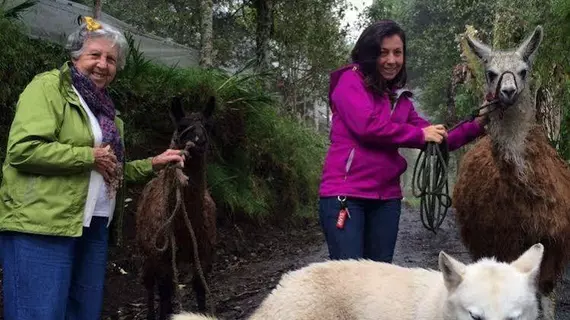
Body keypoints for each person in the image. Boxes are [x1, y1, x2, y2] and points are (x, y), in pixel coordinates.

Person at [0, 17, 185, 320]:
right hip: (43, 224)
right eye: (95, 55)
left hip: (93, 225)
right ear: (75, 56)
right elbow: (23, 150)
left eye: (111, 59)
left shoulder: (106, 110)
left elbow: (110, 167)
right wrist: (88, 156)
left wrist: (153, 163)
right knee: (38, 313)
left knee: (83, 313)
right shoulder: (49, 89)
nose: (103, 64)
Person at [318, 20, 487, 263]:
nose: (391, 60)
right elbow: (367, 127)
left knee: (379, 280)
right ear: (369, 53)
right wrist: (420, 135)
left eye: (398, 53)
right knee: (349, 284)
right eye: (383, 52)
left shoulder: (400, 98)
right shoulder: (349, 81)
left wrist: (478, 124)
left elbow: (437, 139)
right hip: (346, 196)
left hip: (386, 200)